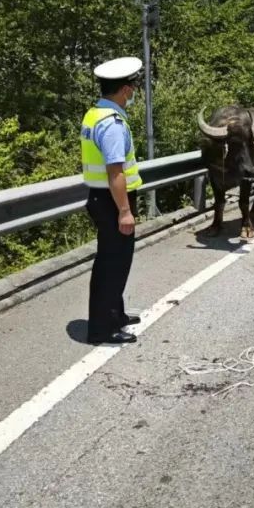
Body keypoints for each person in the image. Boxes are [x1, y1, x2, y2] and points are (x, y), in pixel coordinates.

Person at [81, 56, 144, 344]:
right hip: (112, 201)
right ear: (125, 90)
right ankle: (102, 329)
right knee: (112, 265)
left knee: (114, 262)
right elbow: (115, 171)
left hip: (101, 198)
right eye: (132, 89)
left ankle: (114, 315)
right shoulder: (112, 124)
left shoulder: (94, 113)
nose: (133, 94)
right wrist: (124, 211)